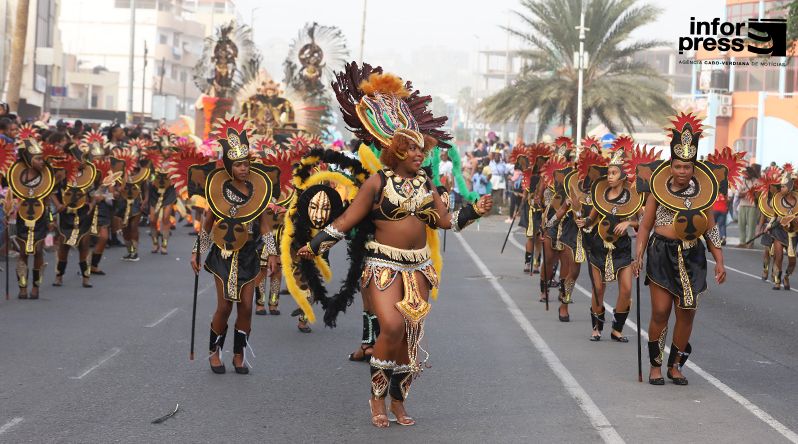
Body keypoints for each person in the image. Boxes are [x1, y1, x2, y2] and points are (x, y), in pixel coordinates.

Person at [299, 65, 493, 428]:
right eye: (413, 149)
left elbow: (445, 222)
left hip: (418, 266)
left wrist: (475, 211)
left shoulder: (425, 183)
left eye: (421, 149)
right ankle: (377, 399)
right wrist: (316, 244)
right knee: (389, 326)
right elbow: (348, 219)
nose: (420, 155)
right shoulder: (377, 182)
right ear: (397, 152)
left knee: (410, 334)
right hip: (383, 265)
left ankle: (398, 401)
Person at [633, 113, 734, 386]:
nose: (682, 171)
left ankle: (675, 365)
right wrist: (638, 254)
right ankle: (655, 366)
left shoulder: (703, 193)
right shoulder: (657, 191)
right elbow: (645, 226)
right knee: (660, 311)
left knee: (687, 312)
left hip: (692, 255)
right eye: (677, 166)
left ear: (693, 168)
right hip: (661, 252)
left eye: (687, 167)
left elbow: (711, 229)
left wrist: (720, 260)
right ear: (671, 166)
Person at [191, 116, 279, 375]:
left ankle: (239, 355)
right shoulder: (217, 191)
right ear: (229, 167)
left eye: (246, 163)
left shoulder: (257, 191)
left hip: (249, 254)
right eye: (238, 164)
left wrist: (272, 252)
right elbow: (208, 224)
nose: (243, 168)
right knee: (224, 306)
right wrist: (197, 251)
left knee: (247, 307)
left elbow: (265, 225)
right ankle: (214, 352)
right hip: (223, 255)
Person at [578, 144, 656, 342]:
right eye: (609, 173)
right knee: (598, 289)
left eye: (614, 173)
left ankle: (617, 328)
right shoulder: (600, 194)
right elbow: (590, 219)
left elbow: (643, 223)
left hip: (621, 248)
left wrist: (628, 222)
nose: (610, 176)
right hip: (598, 246)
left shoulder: (634, 198)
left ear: (623, 176)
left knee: (627, 289)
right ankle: (596, 327)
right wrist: (583, 221)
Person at [7, 125, 55, 299]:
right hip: (21, 217)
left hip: (40, 217)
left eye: (42, 159)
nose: (42, 162)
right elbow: (9, 198)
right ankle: (22, 287)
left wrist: (51, 218)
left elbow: (48, 202)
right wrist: (8, 211)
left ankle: (35, 286)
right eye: (38, 159)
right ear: (28, 160)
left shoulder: (47, 177)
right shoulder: (15, 176)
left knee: (38, 250)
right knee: (23, 252)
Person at [769, 171, 798, 290]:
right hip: (779, 231)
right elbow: (774, 216)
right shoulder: (777, 200)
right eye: (781, 186)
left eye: (784, 186)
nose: (781, 188)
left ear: (790, 188)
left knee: (792, 260)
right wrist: (769, 225)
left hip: (792, 233)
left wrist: (794, 219)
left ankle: (786, 276)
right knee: (779, 256)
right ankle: (777, 280)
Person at [736, 166, 758, 248]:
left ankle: (750, 242)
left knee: (751, 225)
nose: (745, 175)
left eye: (746, 173)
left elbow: (758, 194)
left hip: (752, 205)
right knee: (741, 224)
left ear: (751, 173)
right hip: (742, 204)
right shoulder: (742, 181)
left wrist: (747, 193)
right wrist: (749, 192)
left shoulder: (756, 181)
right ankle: (742, 242)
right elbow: (739, 194)